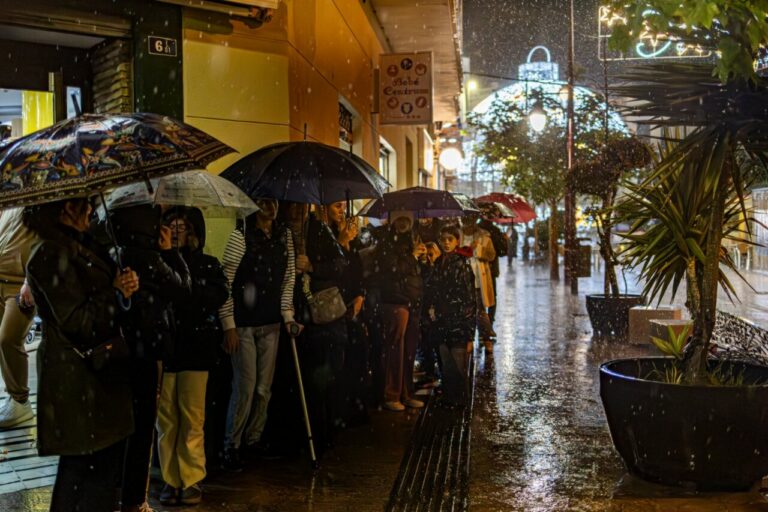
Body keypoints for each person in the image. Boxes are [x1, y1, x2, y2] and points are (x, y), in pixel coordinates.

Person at [24, 198, 139, 511]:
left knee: (95, 471)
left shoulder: (82, 244)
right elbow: (77, 321)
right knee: (84, 475)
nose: (91, 207)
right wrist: (113, 293)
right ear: (64, 210)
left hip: (97, 377)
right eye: (83, 202)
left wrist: (123, 289)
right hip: (77, 379)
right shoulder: (48, 253)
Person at [110, 204, 192, 512]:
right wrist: (171, 251)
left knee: (122, 424)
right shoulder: (151, 258)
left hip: (120, 349)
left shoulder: (114, 252)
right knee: (144, 425)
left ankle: (117, 491)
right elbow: (184, 288)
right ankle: (135, 499)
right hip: (147, 350)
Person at [156, 208, 228, 506]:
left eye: (182, 226)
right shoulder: (157, 262)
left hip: (196, 349)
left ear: (194, 231)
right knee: (166, 421)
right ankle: (170, 479)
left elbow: (215, 295)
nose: (175, 231)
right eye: (171, 225)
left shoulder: (207, 265)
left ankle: (192, 477)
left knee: (192, 416)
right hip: (167, 349)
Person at [219, 198, 298, 471]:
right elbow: (226, 281)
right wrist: (228, 323)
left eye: (273, 201)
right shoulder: (241, 235)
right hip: (244, 322)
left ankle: (253, 439)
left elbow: (289, 278)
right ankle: (232, 445)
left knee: (264, 388)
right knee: (245, 386)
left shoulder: (284, 236)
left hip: (271, 322)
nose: (270, 206)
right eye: (263, 201)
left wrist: (287, 314)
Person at [301, 205, 349, 447]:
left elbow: (340, 267)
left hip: (325, 317)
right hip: (303, 320)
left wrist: (312, 268)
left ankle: (326, 430)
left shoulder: (320, 231)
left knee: (328, 375)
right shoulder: (290, 231)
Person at [373, 211, 425, 412]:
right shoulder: (387, 242)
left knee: (409, 351)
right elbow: (393, 270)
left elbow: (412, 271)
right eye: (400, 219)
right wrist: (412, 256)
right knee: (395, 350)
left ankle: (406, 393)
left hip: (412, 301)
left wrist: (424, 259)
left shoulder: (411, 239)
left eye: (407, 219)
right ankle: (391, 394)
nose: (404, 223)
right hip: (395, 301)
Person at [325, 201, 368, 425]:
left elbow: (358, 273)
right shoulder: (328, 237)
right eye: (337, 206)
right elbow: (335, 271)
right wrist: (341, 242)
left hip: (353, 307)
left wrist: (360, 296)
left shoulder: (354, 243)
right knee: (339, 361)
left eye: (343, 208)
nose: (341, 211)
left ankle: (352, 405)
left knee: (355, 356)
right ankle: (338, 411)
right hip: (337, 306)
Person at [424, 225, 476, 406]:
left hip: (457, 324)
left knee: (458, 368)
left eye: (450, 239)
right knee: (446, 367)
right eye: (443, 239)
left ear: (456, 241)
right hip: (441, 323)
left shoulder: (462, 266)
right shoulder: (437, 265)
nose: (446, 243)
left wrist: (470, 333)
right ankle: (450, 401)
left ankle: (460, 406)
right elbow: (431, 291)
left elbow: (470, 301)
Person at [0, 207, 37, 428]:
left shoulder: (39, 204)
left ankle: (20, 400)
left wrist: (30, 280)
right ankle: (13, 396)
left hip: (19, 283)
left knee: (7, 338)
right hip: (1, 278)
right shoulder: (13, 201)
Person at [461, 216, 496, 353]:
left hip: (478, 279)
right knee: (465, 312)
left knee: (480, 311)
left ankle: (486, 338)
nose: (467, 223)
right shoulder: (457, 235)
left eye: (470, 220)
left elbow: (491, 255)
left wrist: (480, 248)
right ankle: (469, 339)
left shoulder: (484, 236)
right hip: (462, 279)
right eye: (465, 220)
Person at [477, 209, 508, 327]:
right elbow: (502, 252)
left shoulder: (491, 230)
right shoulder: (494, 231)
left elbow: (501, 252)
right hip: (487, 269)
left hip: (485, 269)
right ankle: (488, 323)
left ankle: (484, 325)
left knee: (482, 298)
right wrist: (504, 241)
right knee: (489, 297)